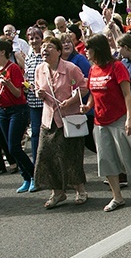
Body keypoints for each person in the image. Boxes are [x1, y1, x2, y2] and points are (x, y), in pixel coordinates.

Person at [81, 34, 131, 212]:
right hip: (100, 122)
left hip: (119, 119)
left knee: (130, 155)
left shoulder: (116, 67)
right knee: (106, 159)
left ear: (98, 49)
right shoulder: (93, 69)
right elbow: (94, 92)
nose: (86, 52)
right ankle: (117, 197)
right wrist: (88, 106)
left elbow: (127, 94)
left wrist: (130, 118)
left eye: (88, 48)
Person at [33, 37, 89, 208]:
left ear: (58, 51)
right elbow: (36, 88)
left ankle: (80, 190)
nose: (44, 49)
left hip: (68, 119)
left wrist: (71, 101)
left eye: (49, 46)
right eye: (43, 47)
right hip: (48, 119)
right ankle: (57, 193)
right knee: (45, 156)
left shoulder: (71, 68)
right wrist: (39, 94)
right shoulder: (39, 69)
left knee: (72, 156)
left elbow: (84, 87)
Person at [0, 37, 35, 192]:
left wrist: (8, 84)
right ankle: (26, 178)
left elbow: (18, 93)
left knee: (14, 147)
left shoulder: (13, 68)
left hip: (18, 109)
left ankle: (33, 175)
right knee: (9, 147)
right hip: (3, 111)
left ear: (3, 52)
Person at [24, 26, 44, 164]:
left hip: (46, 100)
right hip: (33, 101)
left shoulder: (45, 56)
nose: (34, 41)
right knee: (35, 133)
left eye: (37, 38)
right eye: (31, 38)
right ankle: (37, 163)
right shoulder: (28, 57)